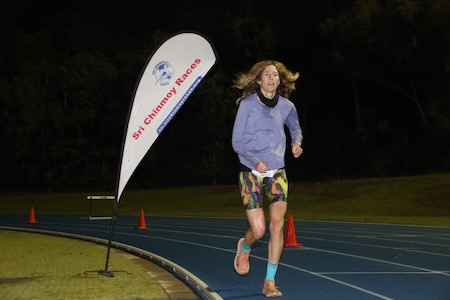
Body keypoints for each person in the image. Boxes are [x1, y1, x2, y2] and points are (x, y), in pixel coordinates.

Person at [231, 60, 304, 298]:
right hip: (250, 171)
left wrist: (296, 143)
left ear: (279, 80)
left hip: (277, 171)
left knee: (277, 225)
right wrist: (254, 161)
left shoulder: (287, 107)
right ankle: (244, 246)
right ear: (259, 80)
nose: (272, 78)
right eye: (267, 75)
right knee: (259, 230)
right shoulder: (247, 105)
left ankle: (269, 281)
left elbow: (296, 129)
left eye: (275, 75)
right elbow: (237, 142)